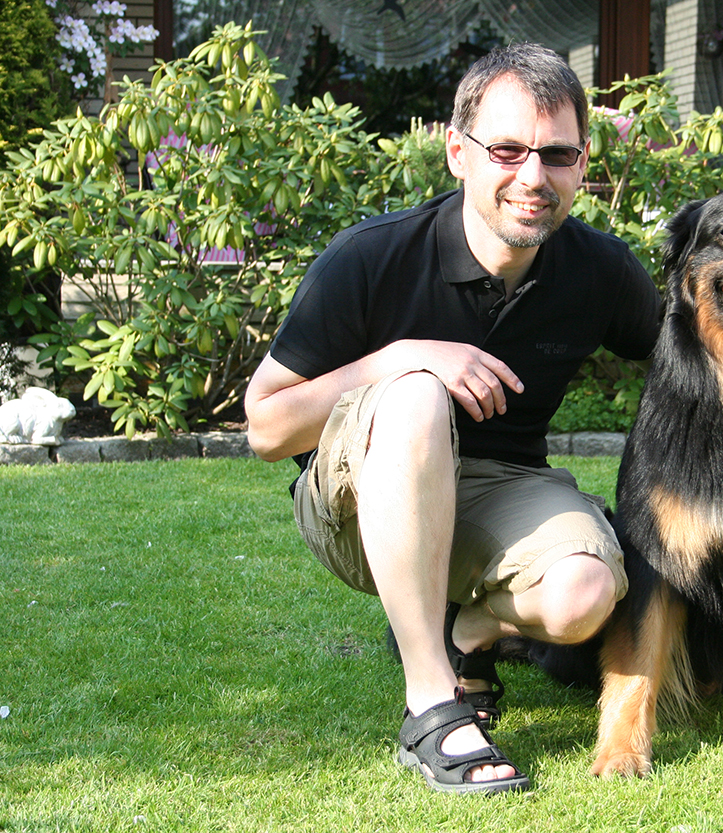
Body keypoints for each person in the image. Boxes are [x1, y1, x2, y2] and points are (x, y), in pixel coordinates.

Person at [244, 42, 661, 794]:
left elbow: (683, 355)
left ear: (582, 164)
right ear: (457, 152)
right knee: (414, 394)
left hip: (500, 484)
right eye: (507, 149)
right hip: (357, 500)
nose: (533, 176)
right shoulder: (371, 257)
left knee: (584, 592)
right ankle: (432, 703)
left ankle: (465, 631)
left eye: (557, 154)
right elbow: (266, 428)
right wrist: (402, 357)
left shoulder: (598, 269)